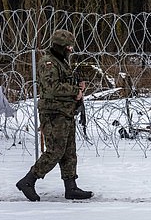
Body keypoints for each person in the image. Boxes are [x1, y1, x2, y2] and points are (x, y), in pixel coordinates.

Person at [16, 29, 93, 201]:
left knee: (69, 152)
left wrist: (78, 86)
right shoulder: (48, 63)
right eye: (68, 47)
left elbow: (63, 83)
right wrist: (75, 91)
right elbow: (52, 88)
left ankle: (71, 187)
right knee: (55, 151)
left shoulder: (61, 61)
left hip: (65, 112)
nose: (71, 50)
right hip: (53, 113)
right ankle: (28, 181)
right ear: (60, 47)